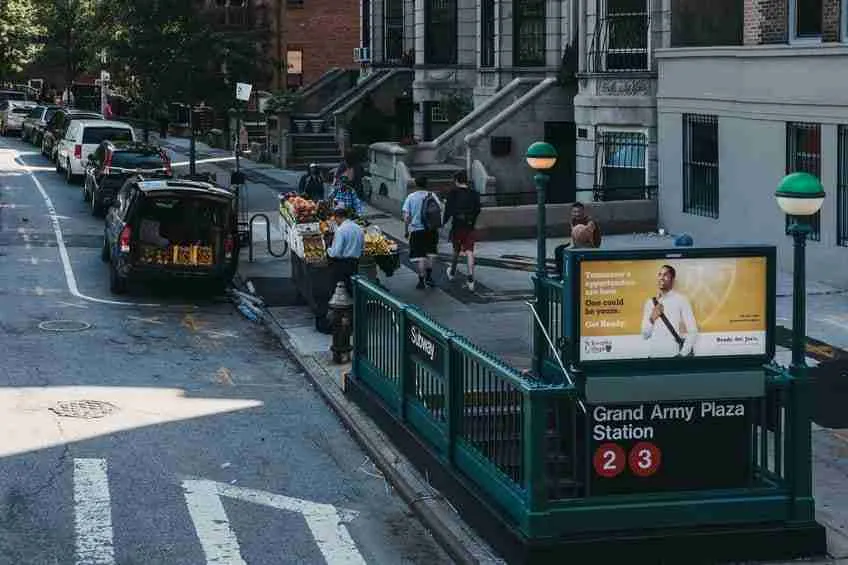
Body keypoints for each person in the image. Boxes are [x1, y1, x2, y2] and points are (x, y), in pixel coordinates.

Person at [640, 264, 699, 358]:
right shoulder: (650, 303)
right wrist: (652, 318)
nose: (661, 278)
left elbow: (693, 331)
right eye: (659, 274)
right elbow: (644, 335)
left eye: (665, 275)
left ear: (673, 279)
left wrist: (682, 354)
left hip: (674, 357)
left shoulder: (681, 300)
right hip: (653, 357)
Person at [402, 176, 443, 290]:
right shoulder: (432, 195)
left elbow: (406, 217)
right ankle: (429, 277)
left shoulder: (410, 197)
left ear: (415, 184)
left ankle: (421, 280)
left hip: (417, 231)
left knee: (420, 256)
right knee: (430, 253)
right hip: (431, 230)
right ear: (427, 184)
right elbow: (439, 209)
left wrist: (406, 230)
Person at [444, 170, 481, 291]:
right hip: (469, 226)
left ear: (456, 181)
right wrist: (472, 220)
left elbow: (448, 210)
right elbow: (478, 209)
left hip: (457, 226)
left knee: (456, 250)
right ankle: (470, 277)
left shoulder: (453, 193)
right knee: (469, 251)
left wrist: (443, 222)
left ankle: (452, 271)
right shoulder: (474, 193)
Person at [326, 207, 364, 296]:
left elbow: (336, 252)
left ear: (339, 217)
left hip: (343, 263)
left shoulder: (341, 230)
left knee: (340, 288)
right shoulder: (358, 228)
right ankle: (354, 305)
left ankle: (340, 306)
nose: (336, 222)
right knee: (352, 285)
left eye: (336, 220)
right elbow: (362, 245)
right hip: (355, 262)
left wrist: (328, 250)